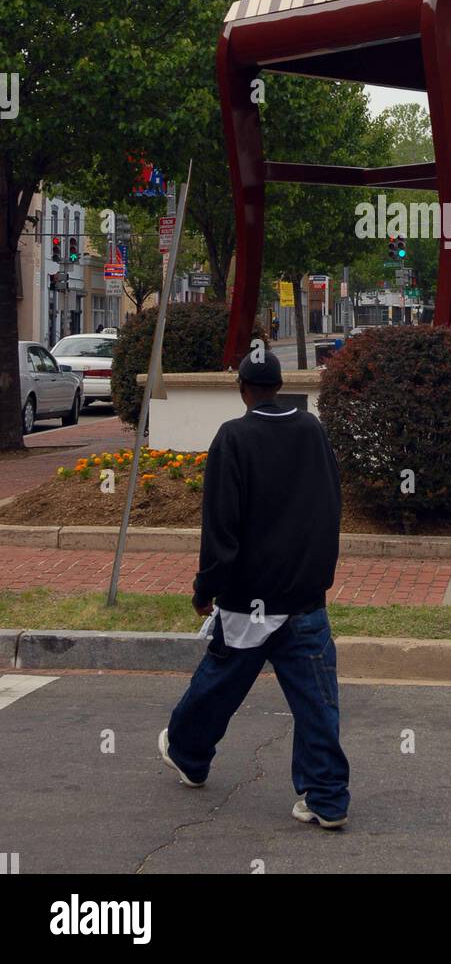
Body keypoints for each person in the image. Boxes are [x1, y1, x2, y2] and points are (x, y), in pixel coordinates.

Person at [158, 349, 349, 828]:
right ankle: (326, 798)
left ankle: (188, 752)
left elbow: (221, 526)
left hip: (249, 600)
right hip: (304, 596)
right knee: (316, 703)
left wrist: (206, 588)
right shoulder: (312, 430)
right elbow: (331, 504)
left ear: (243, 389)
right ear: (280, 384)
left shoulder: (234, 437)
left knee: (218, 684)